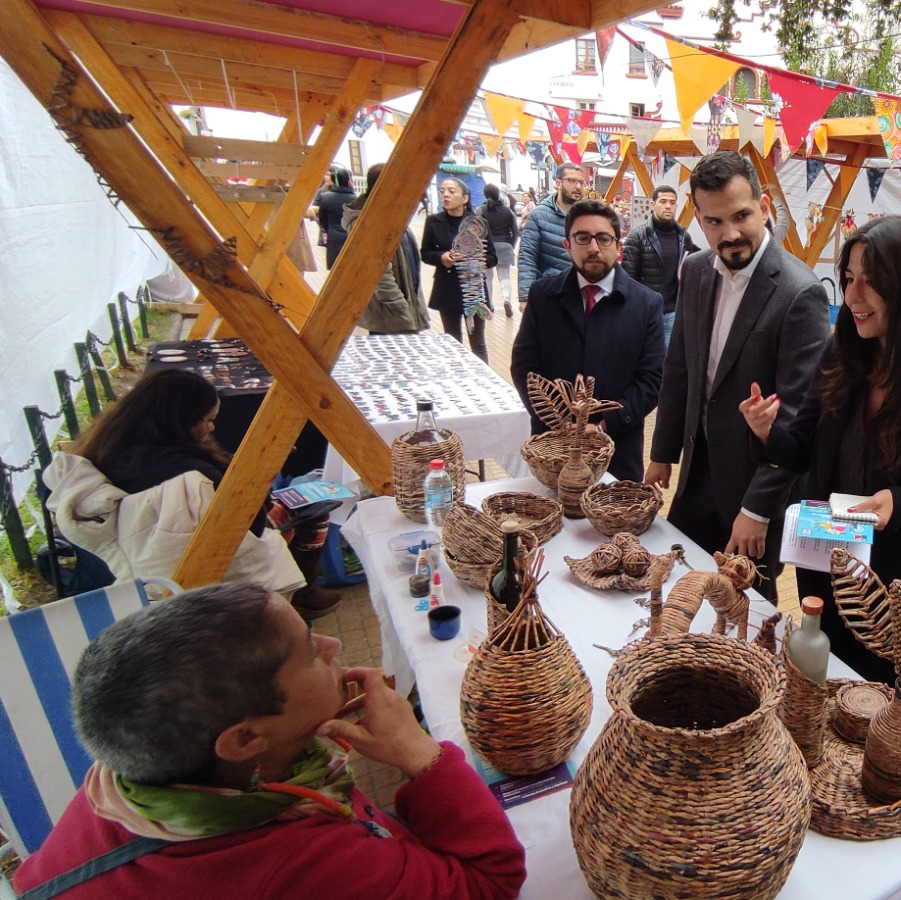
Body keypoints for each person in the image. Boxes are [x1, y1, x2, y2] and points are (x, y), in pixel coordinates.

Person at [10, 583, 526, 899]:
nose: (333, 644)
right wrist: (420, 754)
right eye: (307, 653)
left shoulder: (121, 783)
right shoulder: (305, 867)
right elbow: (491, 880)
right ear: (245, 738)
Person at [739, 215, 901, 711]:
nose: (853, 296)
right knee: (822, 700)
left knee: (888, 724)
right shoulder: (843, 354)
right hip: (829, 575)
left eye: (871, 282)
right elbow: (801, 454)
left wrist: (898, 504)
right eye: (850, 277)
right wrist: (768, 434)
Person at [645, 151, 830, 601]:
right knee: (681, 593)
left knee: (742, 612)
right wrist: (662, 454)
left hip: (753, 485)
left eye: (741, 216)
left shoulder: (799, 291)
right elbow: (680, 370)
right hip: (695, 473)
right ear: (698, 220)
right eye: (714, 222)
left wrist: (758, 509)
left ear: (764, 206)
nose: (730, 234)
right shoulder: (693, 271)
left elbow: (798, 417)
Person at [40, 369, 339, 619]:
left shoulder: (107, 450)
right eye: (206, 420)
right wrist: (261, 478)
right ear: (179, 419)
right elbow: (252, 527)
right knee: (315, 499)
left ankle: (307, 591)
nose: (210, 429)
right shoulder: (190, 475)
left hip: (145, 574)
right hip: (214, 571)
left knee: (306, 493)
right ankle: (306, 590)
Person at [511, 199, 664, 482]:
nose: (593, 248)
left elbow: (652, 380)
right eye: (583, 238)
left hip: (617, 454)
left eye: (603, 238)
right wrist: (557, 421)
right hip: (552, 449)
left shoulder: (646, 304)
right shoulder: (544, 296)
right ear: (567, 245)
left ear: (618, 246)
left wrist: (605, 426)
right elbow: (525, 367)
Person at [421, 176, 497, 363]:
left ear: (465, 198)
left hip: (474, 290)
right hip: (447, 288)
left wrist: (475, 260)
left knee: (478, 343)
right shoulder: (433, 221)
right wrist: (441, 258)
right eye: (442, 191)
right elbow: (425, 253)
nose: (445, 195)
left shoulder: (479, 223)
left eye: (451, 191)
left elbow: (493, 257)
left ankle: (483, 382)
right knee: (452, 342)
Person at [347, 163, 426, 335]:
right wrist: (400, 308)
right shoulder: (368, 223)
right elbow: (377, 275)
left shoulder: (394, 215)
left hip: (403, 311)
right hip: (390, 318)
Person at [620, 184, 700, 349]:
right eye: (663, 201)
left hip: (673, 310)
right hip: (646, 310)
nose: (668, 206)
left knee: (669, 360)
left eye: (672, 202)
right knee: (646, 357)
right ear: (652, 204)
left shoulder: (684, 237)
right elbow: (627, 278)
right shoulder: (637, 236)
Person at [517, 163, 584, 304]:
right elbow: (527, 257)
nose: (578, 186)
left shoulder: (588, 214)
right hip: (550, 295)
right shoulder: (538, 216)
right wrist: (525, 296)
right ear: (558, 183)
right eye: (572, 181)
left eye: (581, 182)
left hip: (581, 295)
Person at [479, 183, 520, 318]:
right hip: (505, 246)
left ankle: (490, 304)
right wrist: (511, 246)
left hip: (486, 248)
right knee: (504, 276)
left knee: (487, 277)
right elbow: (515, 231)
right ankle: (507, 300)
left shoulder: (480, 210)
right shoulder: (508, 211)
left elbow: (474, 231)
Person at [313, 165, 357, 269]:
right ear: (350, 181)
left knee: (335, 268)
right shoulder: (356, 199)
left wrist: (329, 229)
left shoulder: (325, 197)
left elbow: (323, 219)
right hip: (353, 236)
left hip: (334, 236)